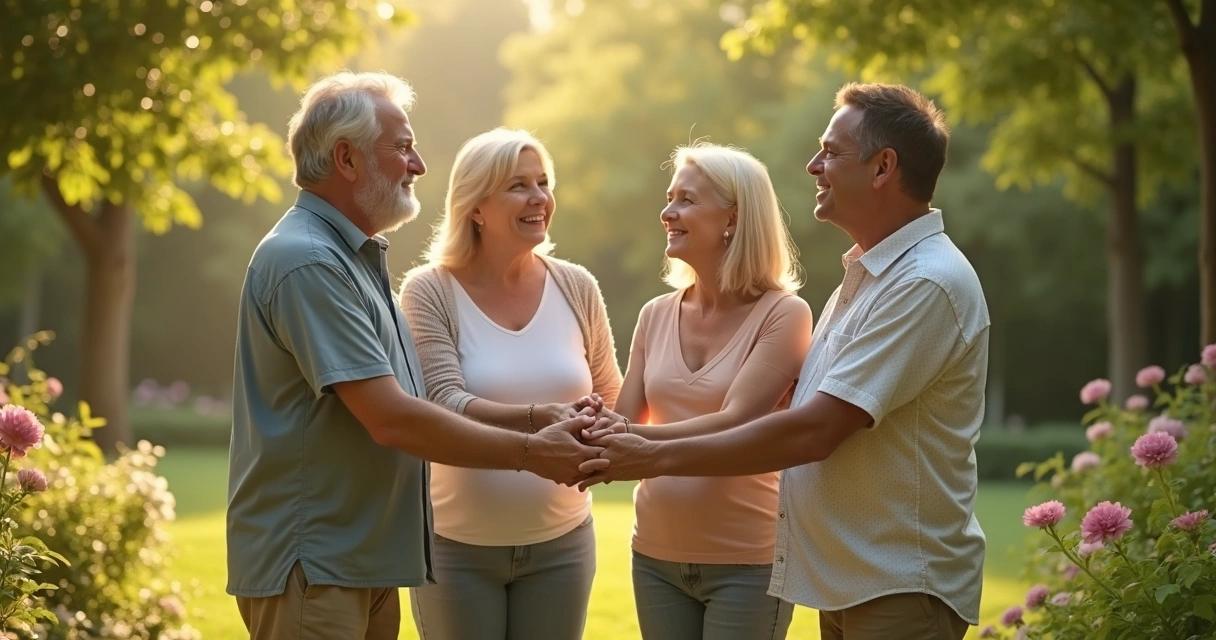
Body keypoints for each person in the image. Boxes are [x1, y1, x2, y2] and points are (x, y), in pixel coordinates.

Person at [582, 83, 988, 640]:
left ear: (882, 167)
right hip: (850, 581)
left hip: (898, 585)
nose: (813, 164)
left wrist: (644, 454)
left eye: (832, 152)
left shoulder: (923, 283)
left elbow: (815, 430)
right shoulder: (870, 277)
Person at [226, 72, 605, 640]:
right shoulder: (308, 262)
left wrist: (536, 418)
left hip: (360, 562)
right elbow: (391, 417)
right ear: (347, 159)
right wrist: (533, 450)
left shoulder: (351, 258)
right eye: (402, 147)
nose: (419, 164)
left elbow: (412, 401)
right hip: (316, 564)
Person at [398, 128, 622, 640]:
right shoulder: (429, 290)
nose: (539, 197)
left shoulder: (577, 285)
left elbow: (610, 393)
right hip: (456, 549)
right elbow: (443, 400)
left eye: (543, 182)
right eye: (519, 185)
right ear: (476, 206)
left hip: (563, 543)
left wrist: (594, 426)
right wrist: (539, 418)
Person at [584, 143, 810, 639]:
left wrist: (638, 451)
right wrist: (591, 424)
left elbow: (738, 421)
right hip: (655, 556)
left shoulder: (784, 314)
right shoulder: (655, 314)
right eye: (670, 198)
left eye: (686, 200)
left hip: (746, 562)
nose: (668, 212)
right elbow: (626, 421)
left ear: (733, 217)